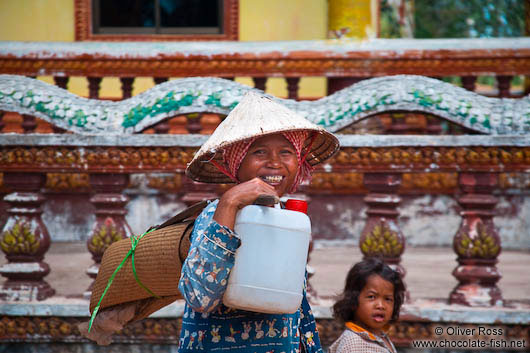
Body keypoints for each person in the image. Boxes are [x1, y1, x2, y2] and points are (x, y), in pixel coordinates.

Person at [178, 91, 339, 353]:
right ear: (236, 163)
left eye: (286, 152)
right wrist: (229, 203)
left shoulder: (289, 219)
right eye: (259, 152)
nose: (274, 163)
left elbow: (295, 307)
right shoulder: (215, 215)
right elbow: (199, 296)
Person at [328, 258, 406, 353]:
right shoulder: (353, 344)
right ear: (353, 300)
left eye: (388, 299)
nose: (381, 306)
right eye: (372, 297)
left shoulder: (381, 336)